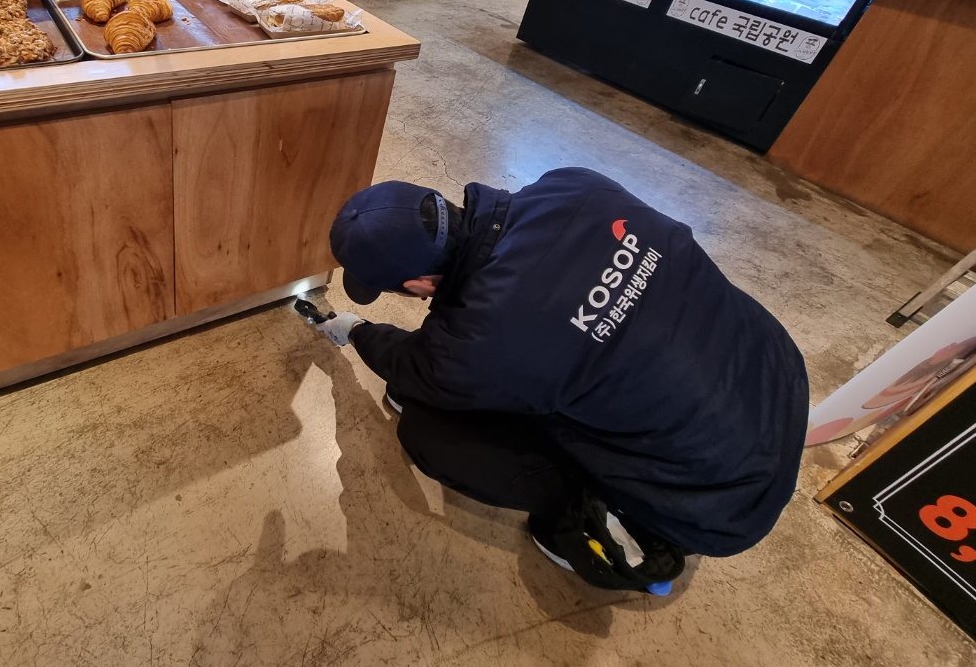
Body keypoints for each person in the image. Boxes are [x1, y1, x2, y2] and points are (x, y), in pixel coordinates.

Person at [312, 168, 808, 594]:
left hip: (720, 506)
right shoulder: (574, 185)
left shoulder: (479, 340)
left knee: (430, 433)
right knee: (567, 370)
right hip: (777, 384)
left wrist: (358, 331)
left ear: (419, 284)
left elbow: (414, 366)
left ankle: (602, 520)